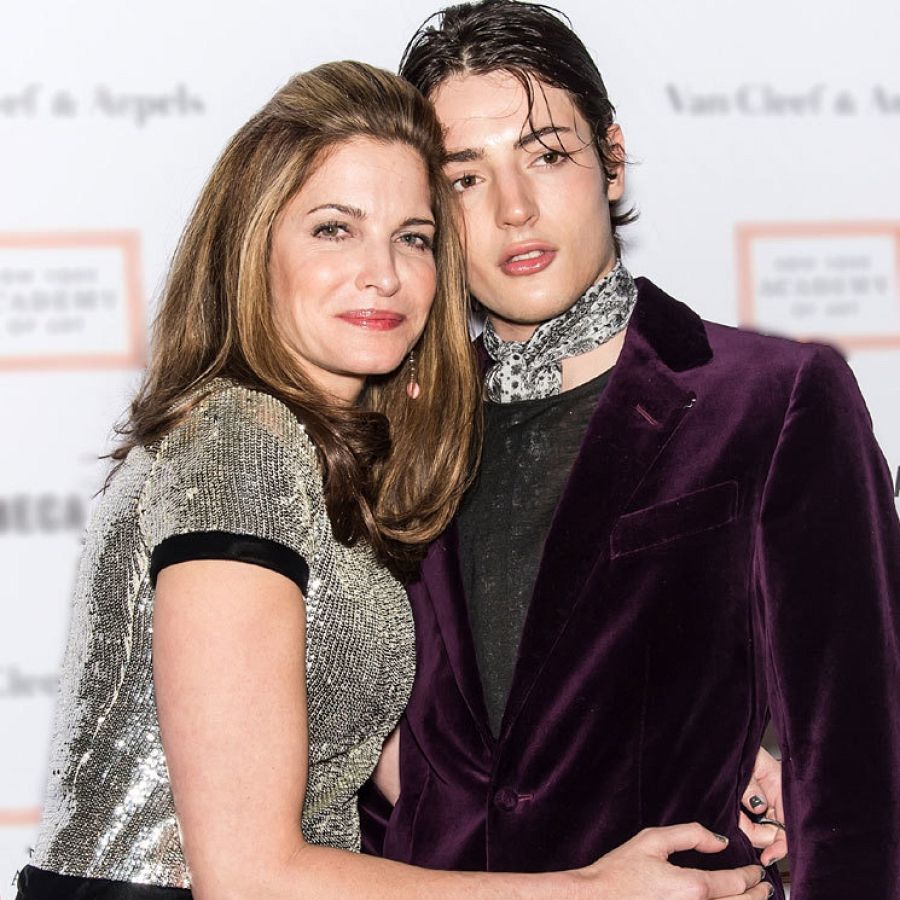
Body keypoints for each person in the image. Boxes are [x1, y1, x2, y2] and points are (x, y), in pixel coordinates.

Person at [16, 61, 773, 900]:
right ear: (252, 242)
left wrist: (744, 758)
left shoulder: (329, 456)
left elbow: (446, 779)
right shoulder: (242, 442)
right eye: (335, 229)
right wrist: (591, 894)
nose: (383, 272)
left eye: (414, 237)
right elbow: (247, 875)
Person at [359, 3, 900, 898]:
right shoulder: (394, 430)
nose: (515, 208)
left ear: (611, 160)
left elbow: (855, 766)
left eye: (547, 154)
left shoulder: (771, 398)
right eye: (465, 177)